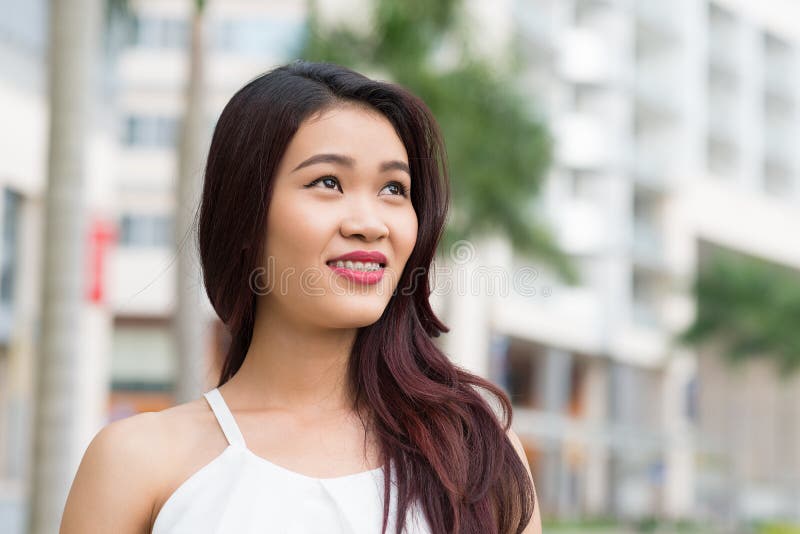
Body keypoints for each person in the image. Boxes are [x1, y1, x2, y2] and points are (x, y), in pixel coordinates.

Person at [60, 60, 541, 534]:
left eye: (394, 189)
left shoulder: (476, 459)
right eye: (328, 182)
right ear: (245, 214)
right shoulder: (138, 464)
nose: (369, 223)